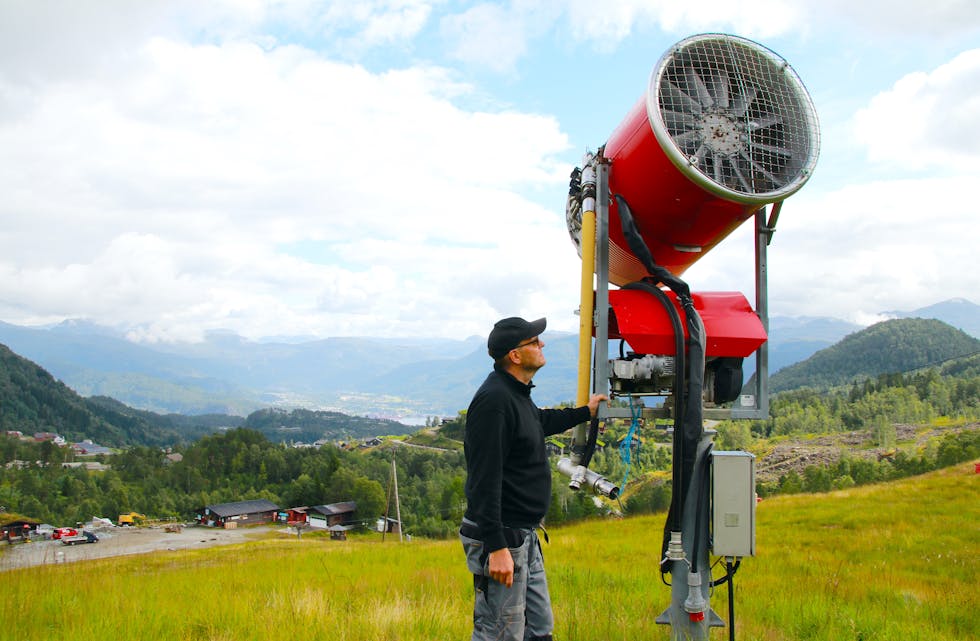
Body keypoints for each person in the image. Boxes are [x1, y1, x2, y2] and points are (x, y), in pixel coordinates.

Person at [460, 316, 606, 641]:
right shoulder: (494, 402)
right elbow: (483, 481)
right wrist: (496, 547)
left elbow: (537, 421)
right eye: (534, 342)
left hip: (523, 535)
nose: (542, 344)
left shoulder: (516, 394)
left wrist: (585, 412)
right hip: (502, 538)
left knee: (539, 631)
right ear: (515, 355)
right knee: (500, 633)